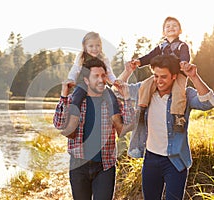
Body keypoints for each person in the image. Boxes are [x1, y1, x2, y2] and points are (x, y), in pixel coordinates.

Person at [119, 54, 214, 200]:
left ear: (174, 76)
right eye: (156, 76)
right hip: (150, 159)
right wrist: (127, 72)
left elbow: (208, 102)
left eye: (163, 76)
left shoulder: (184, 94)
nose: (158, 81)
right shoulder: (145, 89)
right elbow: (117, 90)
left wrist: (194, 77)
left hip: (175, 160)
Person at [53, 57, 134, 200]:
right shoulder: (74, 100)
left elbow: (129, 124)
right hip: (78, 166)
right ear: (86, 80)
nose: (101, 80)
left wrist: (126, 97)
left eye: (103, 76)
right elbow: (59, 124)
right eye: (96, 76)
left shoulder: (112, 101)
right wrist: (63, 95)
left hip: (105, 166)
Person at [129, 16, 190, 133]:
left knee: (179, 91)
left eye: (174, 26)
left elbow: (184, 56)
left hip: (178, 73)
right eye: (168, 26)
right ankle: (141, 110)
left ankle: (178, 117)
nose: (171, 28)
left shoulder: (182, 46)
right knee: (146, 85)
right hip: (162, 73)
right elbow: (150, 56)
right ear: (163, 32)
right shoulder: (161, 46)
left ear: (180, 30)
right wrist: (140, 61)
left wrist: (184, 62)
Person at [62, 31, 117, 137]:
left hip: (101, 86)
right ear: (85, 47)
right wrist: (70, 79)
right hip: (83, 85)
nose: (95, 48)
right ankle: (71, 127)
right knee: (76, 98)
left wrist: (115, 82)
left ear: (101, 46)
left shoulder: (104, 58)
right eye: (91, 46)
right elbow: (75, 70)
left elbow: (109, 73)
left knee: (112, 98)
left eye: (98, 45)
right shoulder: (81, 57)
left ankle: (118, 124)